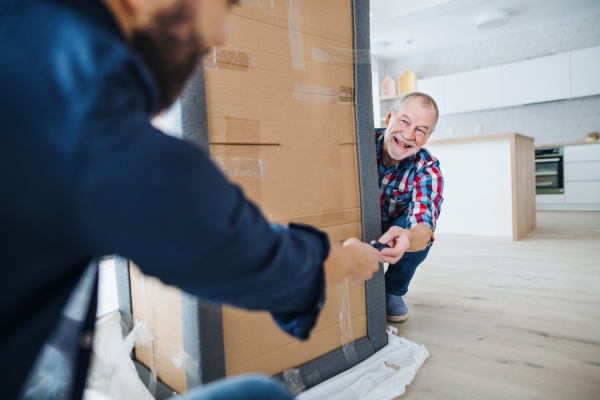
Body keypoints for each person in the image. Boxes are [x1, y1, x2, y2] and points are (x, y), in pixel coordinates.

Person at [0, 0, 405, 399]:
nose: (220, 35)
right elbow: (258, 256)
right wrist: (351, 259)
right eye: (224, 5)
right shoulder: (88, 119)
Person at [372, 92, 445, 323]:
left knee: (419, 234)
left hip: (394, 229)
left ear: (427, 137)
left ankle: (392, 289)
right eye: (404, 121)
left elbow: (424, 226)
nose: (408, 135)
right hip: (358, 223)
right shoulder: (357, 142)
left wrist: (406, 237)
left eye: (421, 130)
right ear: (389, 117)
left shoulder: (428, 168)